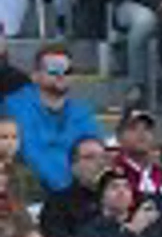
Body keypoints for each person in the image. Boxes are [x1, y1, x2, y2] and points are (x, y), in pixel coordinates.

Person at [3, 43, 101, 194]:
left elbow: (96, 156)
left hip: (75, 196)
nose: (61, 75)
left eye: (67, 71)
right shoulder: (14, 106)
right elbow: (30, 154)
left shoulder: (82, 113)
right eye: (53, 70)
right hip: (29, 193)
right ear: (35, 76)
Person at [73, 169, 162, 237]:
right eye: (114, 187)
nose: (121, 191)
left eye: (127, 187)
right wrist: (132, 231)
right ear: (101, 197)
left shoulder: (146, 229)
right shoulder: (91, 232)